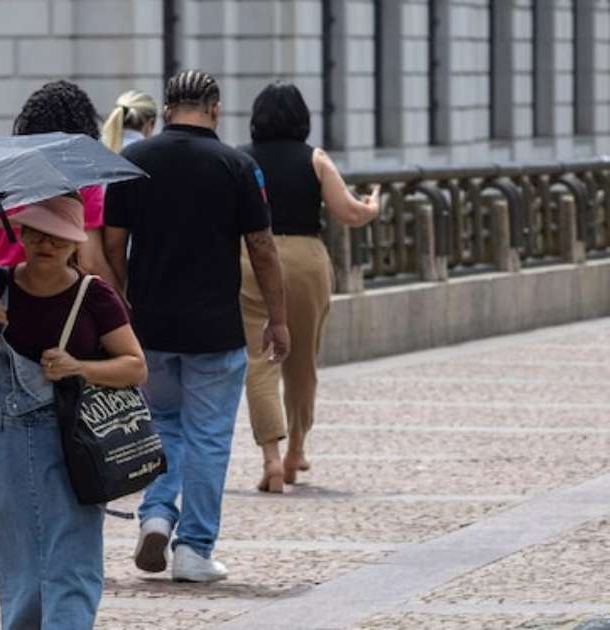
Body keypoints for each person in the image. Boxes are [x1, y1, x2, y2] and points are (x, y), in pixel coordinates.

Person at [103, 70, 290, 583]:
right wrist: (277, 318)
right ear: (214, 108)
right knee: (208, 438)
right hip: (215, 326)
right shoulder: (237, 166)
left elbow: (112, 242)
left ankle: (157, 514)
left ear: (166, 109)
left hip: (150, 323)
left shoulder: (133, 162)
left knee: (163, 425)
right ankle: (195, 549)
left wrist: (122, 297)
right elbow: (263, 248)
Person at [0, 195, 146, 628]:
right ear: (19, 233)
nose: (45, 243)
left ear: (76, 241)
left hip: (72, 445)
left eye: (58, 236)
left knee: (72, 565)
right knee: (20, 573)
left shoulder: (94, 295)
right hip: (3, 449)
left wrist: (80, 367)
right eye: (36, 231)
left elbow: (135, 366)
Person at [239, 82, 380, 493]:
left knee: (259, 359)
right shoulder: (315, 159)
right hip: (305, 260)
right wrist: (373, 205)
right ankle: (296, 449)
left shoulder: (241, 161)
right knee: (301, 360)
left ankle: (269, 457)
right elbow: (348, 213)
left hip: (251, 257)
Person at [0, 80, 118, 286]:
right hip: (54, 294)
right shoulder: (82, 182)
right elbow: (89, 262)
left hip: (6, 291)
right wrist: (122, 305)